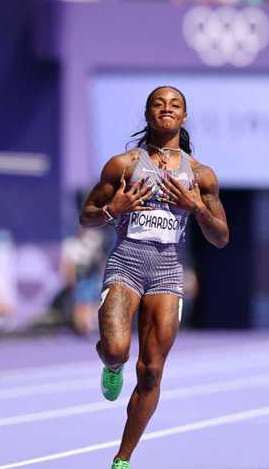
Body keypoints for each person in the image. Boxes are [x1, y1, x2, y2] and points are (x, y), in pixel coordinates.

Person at [80, 85, 229, 468]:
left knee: (150, 371)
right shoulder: (123, 165)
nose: (166, 109)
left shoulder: (201, 175)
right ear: (148, 114)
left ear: (183, 117)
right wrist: (114, 209)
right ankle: (111, 366)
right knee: (116, 349)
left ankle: (123, 458)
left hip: (166, 270)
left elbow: (221, 238)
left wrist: (196, 208)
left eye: (174, 105)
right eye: (158, 104)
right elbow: (88, 215)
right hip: (127, 262)